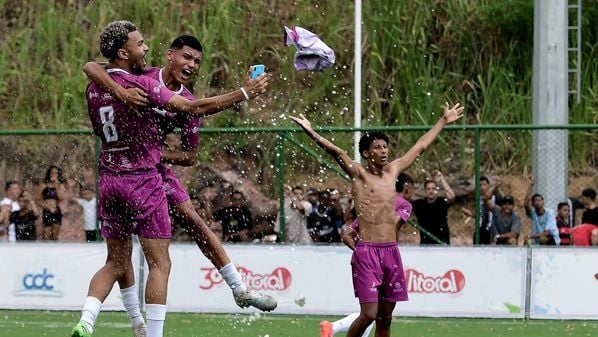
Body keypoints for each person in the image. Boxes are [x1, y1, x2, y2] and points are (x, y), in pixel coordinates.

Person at [72, 20, 270, 337]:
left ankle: (239, 288)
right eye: (186, 57)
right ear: (170, 56)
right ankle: (140, 323)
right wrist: (122, 93)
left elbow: (190, 155)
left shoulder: (183, 100)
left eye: (196, 62)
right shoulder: (143, 77)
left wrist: (159, 153)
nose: (190, 65)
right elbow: (92, 66)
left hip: (139, 169)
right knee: (152, 261)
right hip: (140, 172)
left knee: (191, 219)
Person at [291, 102, 463, 337]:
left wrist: (443, 120)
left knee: (385, 317)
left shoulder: (393, 171)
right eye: (378, 147)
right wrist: (311, 132)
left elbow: (420, 146)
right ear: (366, 153)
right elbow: (337, 152)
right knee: (369, 314)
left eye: (385, 147)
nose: (384, 151)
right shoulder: (358, 174)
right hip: (367, 251)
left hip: (391, 251)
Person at [320, 173, 415, 337]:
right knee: (374, 315)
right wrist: (366, 252)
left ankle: (334, 327)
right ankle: (334, 327)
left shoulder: (374, 206)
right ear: (407, 189)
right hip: (382, 257)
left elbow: (347, 235)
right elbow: (390, 224)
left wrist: (361, 250)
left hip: (383, 257)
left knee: (380, 316)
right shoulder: (404, 204)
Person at [412, 170, 455, 245]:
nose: (431, 191)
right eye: (428, 189)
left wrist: (442, 180)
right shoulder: (419, 204)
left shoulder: (441, 202)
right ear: (425, 190)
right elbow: (407, 197)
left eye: (433, 188)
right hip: (426, 243)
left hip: (442, 242)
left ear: (436, 190)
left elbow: (452, 196)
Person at [524, 175, 560, 245]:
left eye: (540, 200)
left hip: (552, 240)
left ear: (543, 202)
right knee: (526, 241)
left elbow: (547, 233)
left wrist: (531, 236)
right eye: (535, 200)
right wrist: (530, 186)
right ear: (532, 204)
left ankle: (544, 256)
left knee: (542, 238)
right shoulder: (533, 213)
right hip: (538, 241)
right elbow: (525, 205)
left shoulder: (549, 212)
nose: (538, 202)